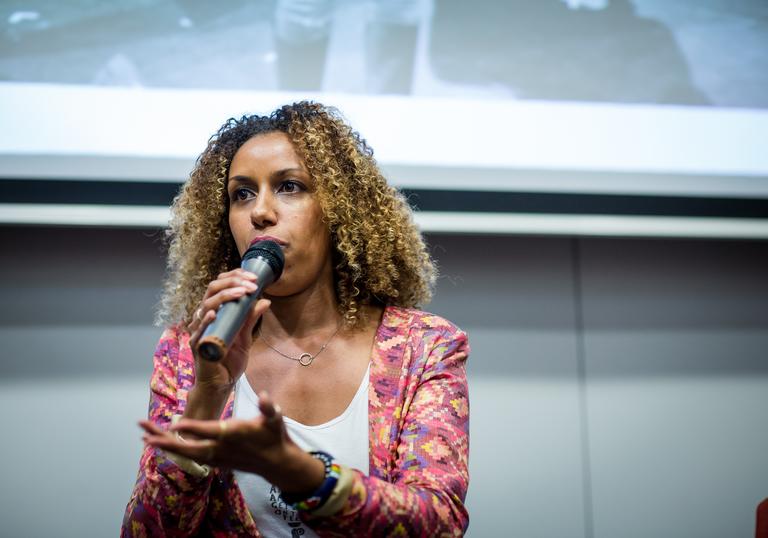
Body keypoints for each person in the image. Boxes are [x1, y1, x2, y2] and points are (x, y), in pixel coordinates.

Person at [121, 101, 470, 536]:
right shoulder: (192, 348)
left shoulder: (425, 346)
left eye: (289, 186)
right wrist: (207, 398)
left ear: (340, 211)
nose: (260, 212)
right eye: (241, 194)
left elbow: (438, 522)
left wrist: (303, 475)